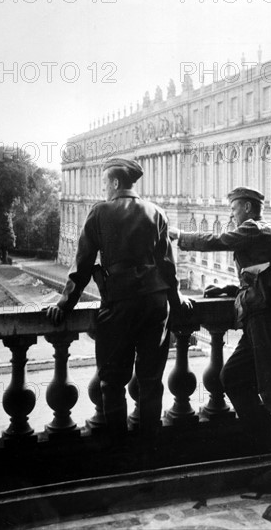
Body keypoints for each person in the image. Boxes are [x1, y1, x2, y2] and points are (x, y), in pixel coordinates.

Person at [47, 157, 192, 452]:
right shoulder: (157, 212)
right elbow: (168, 268)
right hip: (155, 305)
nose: (102, 190)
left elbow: (83, 265)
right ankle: (149, 449)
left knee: (112, 381)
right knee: (151, 380)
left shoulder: (100, 212)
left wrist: (65, 304)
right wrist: (176, 304)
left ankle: (119, 451)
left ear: (114, 183)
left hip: (120, 303)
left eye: (103, 184)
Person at [169, 186, 271, 495]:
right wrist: (228, 289)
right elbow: (257, 276)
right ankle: (269, 445)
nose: (231, 213)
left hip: (266, 317)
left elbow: (217, 241)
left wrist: (179, 236)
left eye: (235, 208)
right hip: (256, 315)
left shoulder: (255, 228)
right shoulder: (256, 235)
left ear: (250, 209)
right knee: (233, 377)